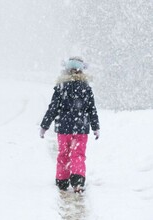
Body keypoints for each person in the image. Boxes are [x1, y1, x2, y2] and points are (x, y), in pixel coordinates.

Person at [40, 57, 100, 193]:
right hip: (81, 127)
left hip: (63, 128)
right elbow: (92, 109)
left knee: (63, 154)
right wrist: (96, 127)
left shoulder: (61, 87)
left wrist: (44, 126)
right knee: (78, 154)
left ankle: (62, 181)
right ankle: (78, 181)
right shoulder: (86, 88)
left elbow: (53, 108)